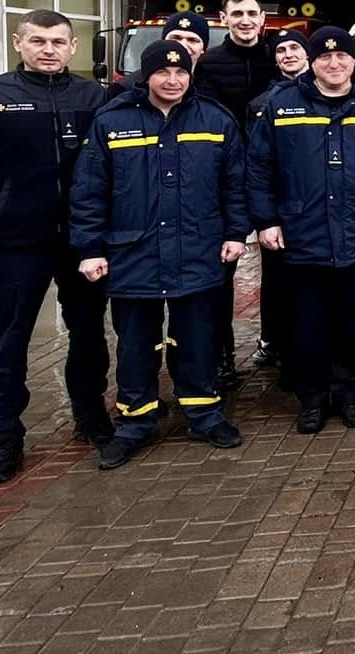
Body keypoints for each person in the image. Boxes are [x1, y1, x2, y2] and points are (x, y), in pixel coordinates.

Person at [0, 10, 113, 486]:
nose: (48, 50)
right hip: (14, 243)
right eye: (38, 41)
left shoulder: (94, 98)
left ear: (73, 47)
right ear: (18, 43)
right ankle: (4, 437)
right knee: (8, 341)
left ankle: (90, 414)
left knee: (89, 334)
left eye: (58, 42)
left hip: (81, 242)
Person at [70, 39, 248, 469]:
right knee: (136, 344)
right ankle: (135, 423)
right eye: (163, 72)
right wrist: (90, 248)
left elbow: (235, 184)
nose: (172, 80)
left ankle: (204, 414)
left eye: (181, 72)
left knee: (198, 339)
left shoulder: (215, 119)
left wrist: (236, 232)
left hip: (198, 249)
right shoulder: (112, 122)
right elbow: (89, 190)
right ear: (146, 76)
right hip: (134, 252)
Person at [249, 25, 355, 432]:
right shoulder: (282, 104)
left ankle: (348, 395)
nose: (334, 63)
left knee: (349, 321)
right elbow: (259, 168)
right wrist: (266, 221)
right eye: (324, 56)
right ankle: (312, 399)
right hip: (301, 233)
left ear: (353, 60)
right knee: (307, 323)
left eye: (341, 55)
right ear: (312, 62)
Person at [195, 0, 276, 397]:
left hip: (273, 179)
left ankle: (275, 342)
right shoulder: (208, 65)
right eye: (237, 14)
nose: (246, 20)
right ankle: (222, 358)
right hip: (225, 180)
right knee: (220, 272)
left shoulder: (277, 57)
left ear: (262, 19)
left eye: (252, 13)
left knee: (280, 267)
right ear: (223, 19)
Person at [249, 27, 311, 385]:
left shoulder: (332, 93)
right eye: (281, 50)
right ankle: (283, 351)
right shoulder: (262, 104)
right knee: (279, 286)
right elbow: (257, 164)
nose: (288, 55)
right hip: (282, 213)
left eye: (294, 48)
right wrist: (266, 216)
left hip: (317, 210)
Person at [105, 9, 211, 102]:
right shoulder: (125, 88)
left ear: (203, 48)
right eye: (176, 38)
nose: (183, 45)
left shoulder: (213, 87)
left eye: (192, 40)